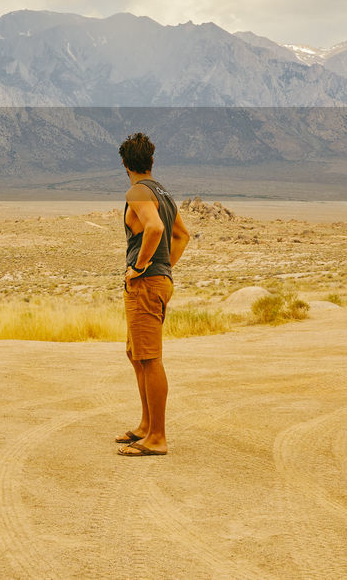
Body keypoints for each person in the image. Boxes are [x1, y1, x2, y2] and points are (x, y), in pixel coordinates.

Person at [115, 132, 189, 457]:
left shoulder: (137, 192)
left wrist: (142, 267)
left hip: (146, 284)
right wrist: (164, 267)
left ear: (124, 164)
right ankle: (147, 426)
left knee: (150, 358)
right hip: (158, 281)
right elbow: (182, 235)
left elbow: (156, 228)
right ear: (151, 161)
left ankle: (157, 437)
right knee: (136, 354)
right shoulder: (163, 192)